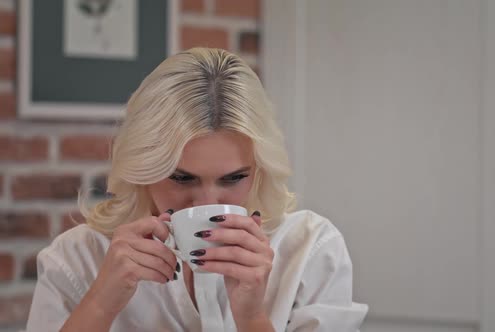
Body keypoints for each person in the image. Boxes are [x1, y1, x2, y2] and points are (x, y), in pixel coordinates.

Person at [26, 48, 368, 331]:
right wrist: (101, 303)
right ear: (143, 170)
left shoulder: (310, 249)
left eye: (233, 178)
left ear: (260, 170)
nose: (207, 203)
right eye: (182, 178)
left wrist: (251, 317)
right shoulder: (79, 257)